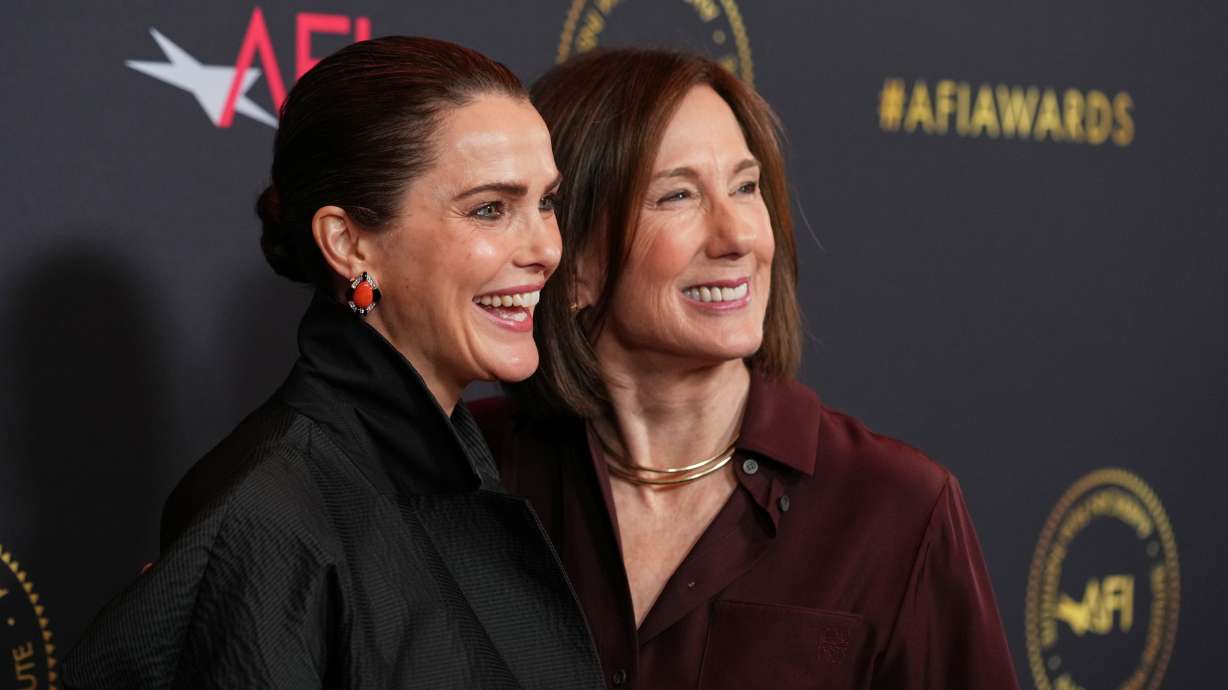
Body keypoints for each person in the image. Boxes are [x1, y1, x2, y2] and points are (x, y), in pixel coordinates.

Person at [63, 37, 604, 688]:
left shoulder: (451, 463)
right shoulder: (269, 512)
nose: (546, 247)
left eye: (545, 201)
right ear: (349, 244)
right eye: (490, 209)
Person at [472, 48, 1019, 689]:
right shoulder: (470, 472)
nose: (738, 236)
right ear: (572, 258)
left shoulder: (898, 506)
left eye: (745, 187)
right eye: (677, 195)